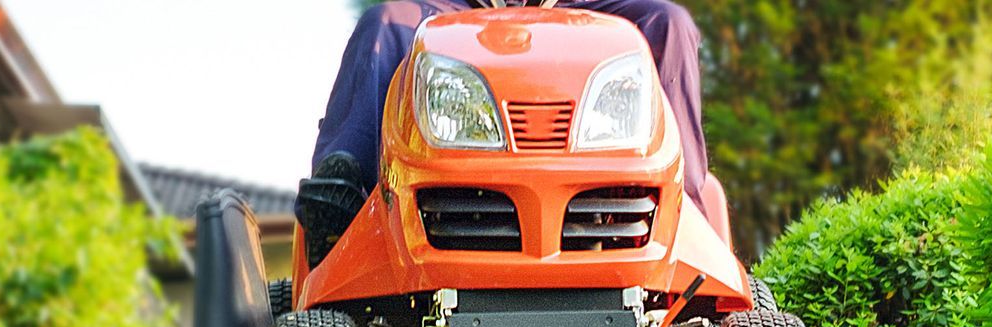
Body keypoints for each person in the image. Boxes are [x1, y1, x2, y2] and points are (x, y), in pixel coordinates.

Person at [298, 0, 709, 264]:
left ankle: (684, 209)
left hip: (571, 7)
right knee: (385, 21)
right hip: (460, 7)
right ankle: (344, 190)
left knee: (669, 21)